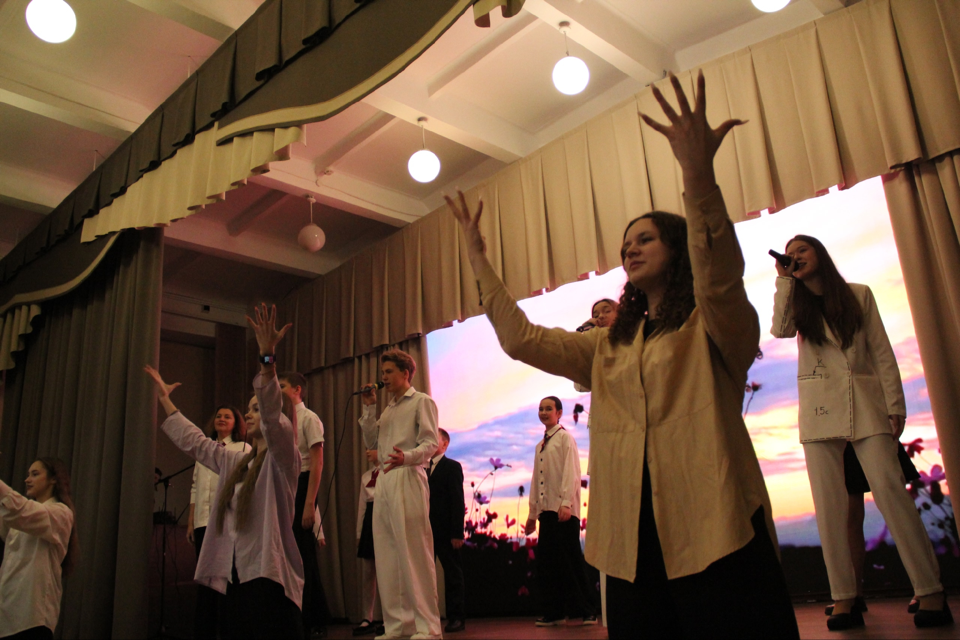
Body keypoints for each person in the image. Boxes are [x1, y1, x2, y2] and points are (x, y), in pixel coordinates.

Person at [447, 72, 799, 639]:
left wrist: (697, 175)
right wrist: (478, 261)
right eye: (625, 244)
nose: (630, 248)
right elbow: (522, 340)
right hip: (632, 541)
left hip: (716, 524)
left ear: (678, 249)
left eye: (646, 239)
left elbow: (719, 272)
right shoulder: (607, 345)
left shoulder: (712, 324)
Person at [771, 235, 950, 629]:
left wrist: (895, 405)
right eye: (790, 253)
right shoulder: (795, 304)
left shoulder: (858, 294)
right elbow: (780, 330)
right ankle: (844, 598)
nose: (795, 256)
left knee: (892, 496)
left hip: (866, 406)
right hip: (819, 413)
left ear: (820, 253)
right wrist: (784, 281)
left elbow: (882, 351)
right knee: (830, 510)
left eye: (803, 250)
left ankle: (930, 590)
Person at [145, 303, 305, 640]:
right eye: (248, 409)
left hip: (268, 574)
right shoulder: (236, 462)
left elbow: (273, 413)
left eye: (255, 408)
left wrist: (267, 358)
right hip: (236, 572)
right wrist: (165, 401)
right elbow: (197, 444)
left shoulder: (283, 460)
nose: (249, 414)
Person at [359, 349, 442, 640]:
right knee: (387, 554)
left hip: (407, 475)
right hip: (385, 480)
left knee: (414, 553)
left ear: (406, 373)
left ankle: (428, 627)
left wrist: (406, 457)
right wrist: (369, 408)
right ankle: (398, 626)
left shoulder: (421, 402)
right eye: (383, 373)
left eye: (389, 372)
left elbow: (431, 443)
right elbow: (372, 443)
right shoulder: (388, 409)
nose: (384, 377)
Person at [524, 397, 596, 627]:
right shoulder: (540, 446)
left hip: (564, 511)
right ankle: (553, 613)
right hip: (546, 512)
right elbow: (536, 481)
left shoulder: (565, 438)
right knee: (548, 564)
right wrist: (532, 514)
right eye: (541, 409)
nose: (544, 412)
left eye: (549, 409)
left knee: (571, 561)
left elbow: (572, 472)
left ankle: (587, 611)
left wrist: (566, 503)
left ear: (559, 413)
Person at [187, 405, 251, 640]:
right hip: (203, 521)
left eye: (227, 416)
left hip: (226, 523)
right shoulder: (205, 449)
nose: (222, 419)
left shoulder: (242, 449)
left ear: (236, 423)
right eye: (219, 416)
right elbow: (195, 487)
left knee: (226, 580)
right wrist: (191, 521)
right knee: (205, 581)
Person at [0, 458, 80, 640]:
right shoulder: (23, 517)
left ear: (53, 479)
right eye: (28, 474)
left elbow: (21, 511)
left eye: (35, 474)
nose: (27, 480)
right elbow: (11, 516)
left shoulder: (61, 513)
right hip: (6, 614)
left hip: (32, 618)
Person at [279, 371, 330, 638]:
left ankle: (312, 619)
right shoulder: (282, 420)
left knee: (303, 555)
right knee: (289, 555)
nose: (278, 390)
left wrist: (310, 503)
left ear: (297, 389)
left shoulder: (309, 419)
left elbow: (317, 462)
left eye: (282, 386)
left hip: (303, 485)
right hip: (285, 486)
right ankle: (296, 617)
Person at [427, 428, 466, 633]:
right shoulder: (420, 469)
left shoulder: (452, 467)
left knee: (452, 575)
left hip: (445, 531)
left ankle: (456, 617)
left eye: (435, 438)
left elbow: (457, 501)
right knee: (423, 575)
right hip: (424, 531)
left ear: (445, 444)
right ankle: (426, 618)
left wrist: (457, 532)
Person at [353, 450, 383, 637]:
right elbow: (362, 506)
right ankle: (367, 617)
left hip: (385, 516)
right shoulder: (366, 477)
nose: (366, 452)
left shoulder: (390, 472)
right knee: (368, 572)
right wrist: (359, 534)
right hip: (369, 522)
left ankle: (390, 616)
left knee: (387, 570)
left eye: (372, 448)